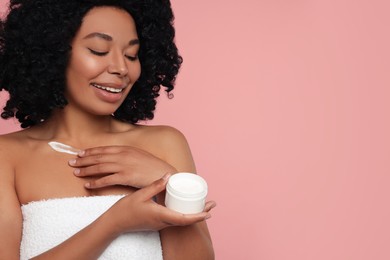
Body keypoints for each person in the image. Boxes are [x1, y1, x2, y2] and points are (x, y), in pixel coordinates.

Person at [0, 0, 216, 259]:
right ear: (53, 52)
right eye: (99, 50)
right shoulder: (7, 156)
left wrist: (166, 182)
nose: (121, 68)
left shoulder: (165, 143)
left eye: (131, 55)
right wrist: (115, 222)